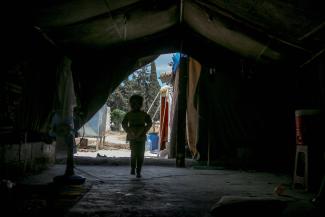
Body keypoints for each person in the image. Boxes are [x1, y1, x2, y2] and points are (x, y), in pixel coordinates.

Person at [122, 94, 152, 178]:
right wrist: (131, 132)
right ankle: (134, 169)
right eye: (134, 103)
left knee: (138, 154)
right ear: (131, 104)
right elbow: (124, 124)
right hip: (136, 136)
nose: (136, 105)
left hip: (138, 136)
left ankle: (137, 170)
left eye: (137, 103)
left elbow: (149, 123)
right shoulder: (130, 114)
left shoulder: (143, 114)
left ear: (140, 104)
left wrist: (141, 131)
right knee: (136, 153)